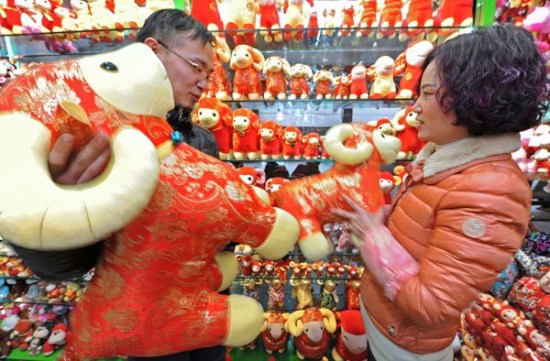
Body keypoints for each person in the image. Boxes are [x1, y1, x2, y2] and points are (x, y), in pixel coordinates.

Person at [11, 9, 227, 361]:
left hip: (209, 305)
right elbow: (62, 267)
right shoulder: (94, 136)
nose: (205, 82)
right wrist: (59, 212)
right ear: (154, 52)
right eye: (196, 66)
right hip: (145, 322)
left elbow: (220, 231)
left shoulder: (202, 139)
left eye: (210, 72)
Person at [334, 24, 550, 361]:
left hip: (405, 345)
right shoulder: (444, 162)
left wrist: (374, 237)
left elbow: (432, 305)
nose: (414, 108)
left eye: (428, 93)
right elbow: (427, 232)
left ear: (474, 96)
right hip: (387, 326)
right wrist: (383, 219)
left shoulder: (489, 191)